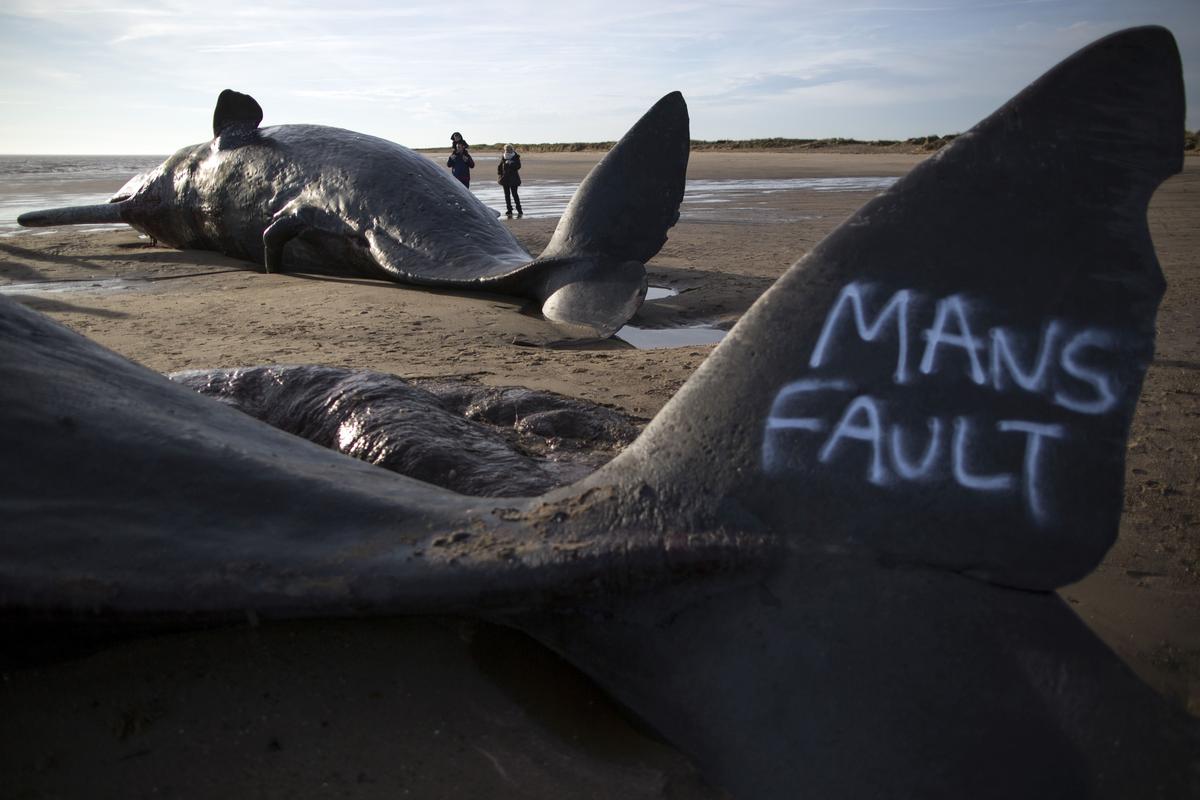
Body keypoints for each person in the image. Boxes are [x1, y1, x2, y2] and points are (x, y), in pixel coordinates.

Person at [497, 143, 523, 217]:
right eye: (506, 149)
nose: (507, 151)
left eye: (509, 149)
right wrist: (500, 175)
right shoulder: (503, 156)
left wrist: (511, 163)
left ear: (512, 149)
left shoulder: (515, 156)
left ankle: (519, 210)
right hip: (505, 178)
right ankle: (509, 210)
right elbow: (499, 167)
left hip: (514, 179)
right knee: (507, 195)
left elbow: (518, 166)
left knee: (515, 194)